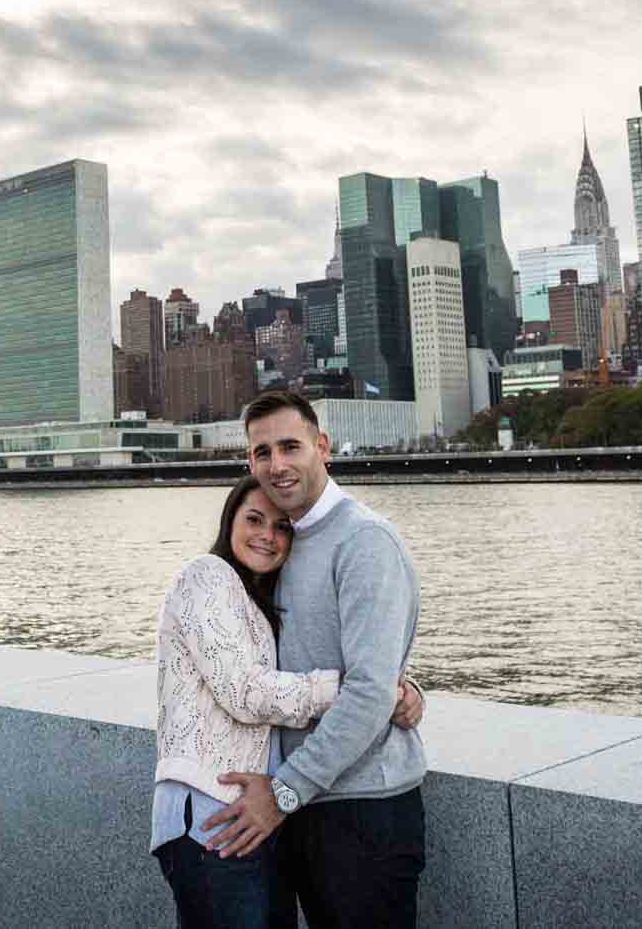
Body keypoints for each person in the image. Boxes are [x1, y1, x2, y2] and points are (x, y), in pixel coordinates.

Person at [153, 476, 423, 929]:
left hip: (260, 816)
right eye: (254, 519)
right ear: (229, 522)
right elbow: (246, 692)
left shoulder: (260, 597)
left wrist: (399, 687)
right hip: (211, 815)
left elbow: (324, 658)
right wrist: (361, 688)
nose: (267, 535)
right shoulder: (206, 575)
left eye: (282, 527)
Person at [202, 390, 427, 928]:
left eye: (290, 446)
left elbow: (370, 690)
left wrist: (282, 794)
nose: (276, 465)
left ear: (322, 447)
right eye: (262, 453)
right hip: (305, 807)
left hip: (363, 812)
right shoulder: (281, 542)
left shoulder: (364, 541)